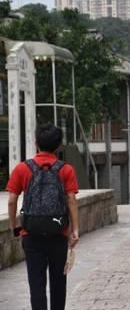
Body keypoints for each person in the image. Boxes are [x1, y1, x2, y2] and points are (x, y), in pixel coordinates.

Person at [7, 124, 80, 310]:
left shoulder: (22, 168)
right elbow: (71, 200)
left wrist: (14, 227)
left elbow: (11, 200)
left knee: (36, 284)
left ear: (36, 143)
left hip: (31, 234)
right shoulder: (66, 169)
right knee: (58, 282)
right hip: (58, 233)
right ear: (59, 145)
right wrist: (75, 230)